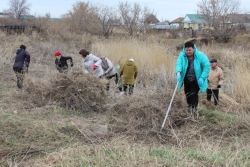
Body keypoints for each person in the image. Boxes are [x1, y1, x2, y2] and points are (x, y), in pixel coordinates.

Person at [175, 41, 210, 116]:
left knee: (193, 94)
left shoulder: (200, 55)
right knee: (187, 94)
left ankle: (194, 111)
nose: (188, 52)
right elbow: (179, 64)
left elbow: (206, 66)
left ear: (193, 49)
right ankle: (189, 108)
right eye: (186, 50)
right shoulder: (182, 55)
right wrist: (178, 73)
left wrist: (202, 77)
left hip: (196, 80)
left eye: (190, 50)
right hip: (186, 79)